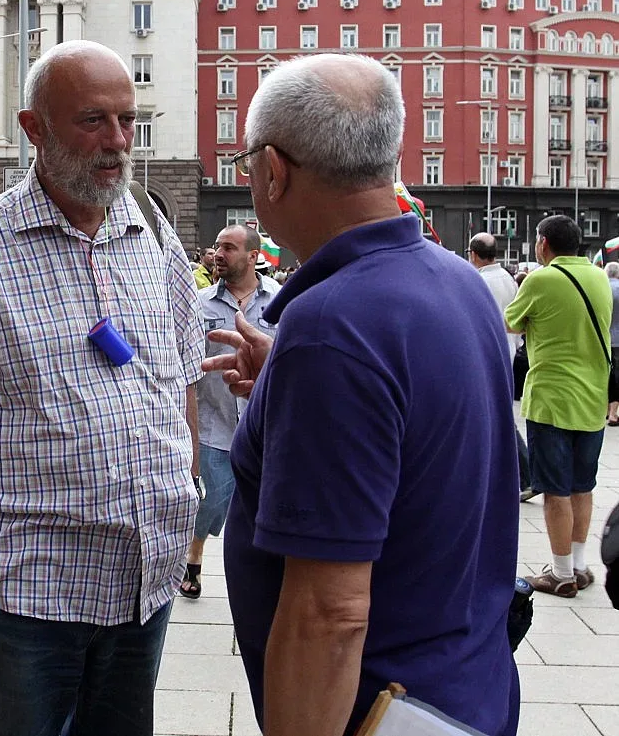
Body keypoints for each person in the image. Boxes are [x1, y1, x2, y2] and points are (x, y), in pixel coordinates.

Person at [0, 40, 203, 736]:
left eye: (127, 119)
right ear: (34, 128)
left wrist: (185, 493)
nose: (118, 141)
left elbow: (180, 377)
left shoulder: (152, 233)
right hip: (26, 599)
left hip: (142, 590)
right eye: (93, 120)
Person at [203, 53, 519, 736]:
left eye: (246, 160)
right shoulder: (456, 281)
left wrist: (314, 362)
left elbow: (329, 614)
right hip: (467, 689)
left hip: (381, 710)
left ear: (273, 170)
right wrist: (291, 388)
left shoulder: (332, 329)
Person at [506, 215, 611, 598]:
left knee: (555, 490)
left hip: (552, 398)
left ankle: (561, 573)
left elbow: (510, 323)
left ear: (544, 243)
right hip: (592, 397)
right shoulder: (599, 276)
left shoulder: (541, 279)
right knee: (583, 486)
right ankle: (580, 566)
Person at [180, 224, 279, 599]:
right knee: (210, 500)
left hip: (263, 425)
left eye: (229, 248)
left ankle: (257, 573)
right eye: (217, 246)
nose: (219, 254)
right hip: (212, 423)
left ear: (253, 256)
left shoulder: (280, 300)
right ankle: (194, 559)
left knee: (259, 505)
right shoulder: (199, 302)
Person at [467, 233, 534, 501]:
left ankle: (527, 475)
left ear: (473, 254)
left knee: (497, 417)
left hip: (485, 354)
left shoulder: (477, 281)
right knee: (498, 415)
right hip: (507, 351)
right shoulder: (508, 279)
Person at [606, 261, 619, 426]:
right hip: (618, 339)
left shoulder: (600, 287)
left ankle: (604, 410)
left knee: (605, 373)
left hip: (602, 337)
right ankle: (613, 413)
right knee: (617, 375)